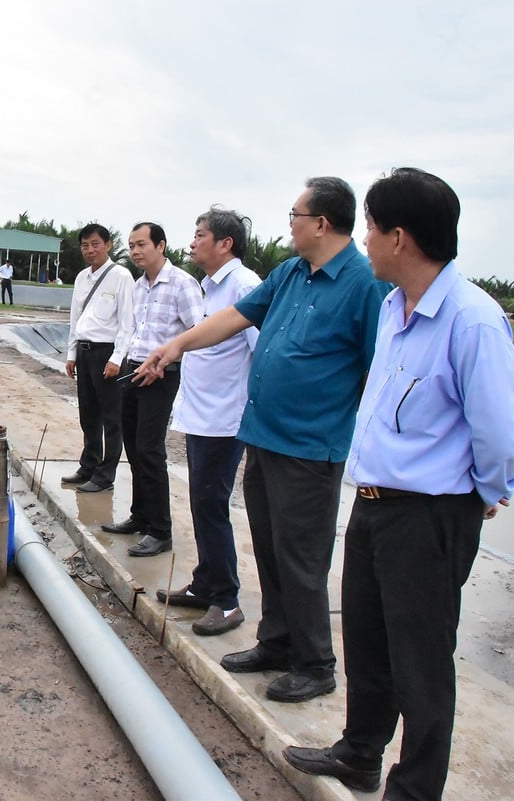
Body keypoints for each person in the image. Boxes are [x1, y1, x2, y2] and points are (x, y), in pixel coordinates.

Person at [282, 169, 514, 800]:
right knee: (367, 640)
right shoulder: (394, 308)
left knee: (420, 661)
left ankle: (414, 789)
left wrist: (486, 491)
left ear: (399, 237)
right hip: (373, 505)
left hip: (430, 515)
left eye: (369, 227)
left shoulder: (472, 320)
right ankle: (360, 752)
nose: (363, 239)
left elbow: (498, 434)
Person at [134, 177, 390, 702]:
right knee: (271, 550)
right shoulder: (291, 273)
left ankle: (315, 663)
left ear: (322, 223)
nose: (289, 224)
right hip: (263, 436)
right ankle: (276, 642)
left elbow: (379, 372)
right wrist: (177, 345)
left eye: (296, 215)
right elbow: (234, 318)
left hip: (311, 447)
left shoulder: (364, 285)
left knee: (302, 558)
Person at [155, 208, 261, 636]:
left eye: (200, 235)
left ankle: (227, 600)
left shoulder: (245, 286)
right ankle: (205, 583)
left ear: (225, 243)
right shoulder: (209, 287)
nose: (193, 242)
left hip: (225, 419)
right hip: (201, 416)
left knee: (212, 504)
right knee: (200, 502)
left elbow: (262, 352)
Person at [100, 222, 204, 557]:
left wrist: (166, 359)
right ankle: (140, 516)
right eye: (131, 245)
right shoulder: (139, 286)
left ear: (161, 245)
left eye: (142, 244)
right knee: (133, 448)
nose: (135, 251)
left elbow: (200, 332)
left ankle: (160, 531)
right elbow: (134, 330)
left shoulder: (182, 284)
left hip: (161, 375)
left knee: (150, 450)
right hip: (134, 371)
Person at [62, 224, 135, 495]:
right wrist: (71, 354)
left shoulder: (121, 276)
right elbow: (75, 319)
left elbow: (127, 323)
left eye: (95, 244)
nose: (90, 250)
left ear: (108, 245)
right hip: (84, 352)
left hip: (108, 354)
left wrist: (117, 358)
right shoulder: (82, 277)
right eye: (85, 245)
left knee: (112, 418)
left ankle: (106, 474)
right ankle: (88, 465)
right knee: (88, 414)